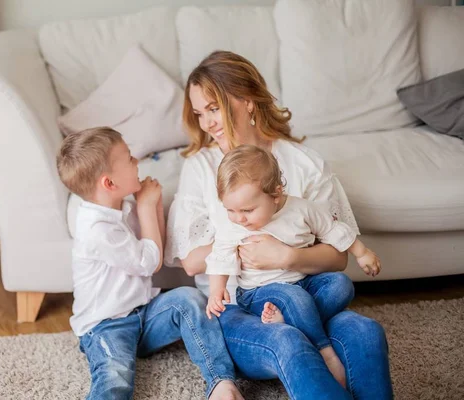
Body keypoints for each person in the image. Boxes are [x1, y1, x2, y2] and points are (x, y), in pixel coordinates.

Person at [165, 51, 393, 399]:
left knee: (365, 333)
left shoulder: (303, 163)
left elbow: (338, 258)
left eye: (214, 108)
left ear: (248, 101)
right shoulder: (201, 168)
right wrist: (254, 235)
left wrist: (287, 256)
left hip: (306, 295)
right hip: (239, 308)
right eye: (199, 113)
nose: (207, 123)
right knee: (287, 340)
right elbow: (193, 261)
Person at [56, 127, 243, 400]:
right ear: (109, 183)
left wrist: (151, 206)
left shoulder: (124, 205)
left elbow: (158, 245)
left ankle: (221, 382)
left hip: (142, 315)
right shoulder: (96, 228)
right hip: (106, 326)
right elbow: (148, 263)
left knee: (189, 299)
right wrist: (146, 207)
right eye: (130, 159)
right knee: (115, 379)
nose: (137, 163)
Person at [205, 144, 382, 387]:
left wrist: (362, 253)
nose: (239, 218)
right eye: (230, 210)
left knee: (341, 284)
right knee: (294, 297)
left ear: (275, 195)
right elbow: (220, 256)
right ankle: (324, 351)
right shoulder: (234, 227)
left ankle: (290, 320)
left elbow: (332, 230)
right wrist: (217, 290)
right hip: (259, 292)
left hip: (304, 281)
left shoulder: (302, 209)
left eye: (247, 210)